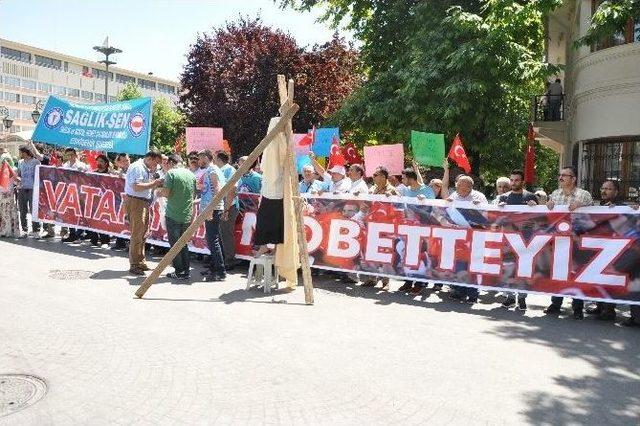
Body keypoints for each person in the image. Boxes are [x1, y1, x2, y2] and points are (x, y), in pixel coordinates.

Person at [544, 166, 594, 319]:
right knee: (558, 272)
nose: (560, 178)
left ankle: (578, 307)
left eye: (564, 175)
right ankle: (556, 303)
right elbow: (550, 214)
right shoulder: (555, 194)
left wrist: (582, 206)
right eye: (560, 175)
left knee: (577, 272)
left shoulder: (583, 194)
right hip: (559, 241)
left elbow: (595, 214)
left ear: (573, 179)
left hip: (578, 240)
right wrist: (549, 205)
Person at [497, 170, 538, 310]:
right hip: (507, 239)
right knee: (508, 269)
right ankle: (509, 297)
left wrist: (536, 207)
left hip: (526, 240)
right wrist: (499, 208)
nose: (513, 183)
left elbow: (539, 219)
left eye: (516, 180)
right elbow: (495, 217)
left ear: (522, 182)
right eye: (512, 180)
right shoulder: (503, 198)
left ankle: (521, 298)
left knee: (524, 269)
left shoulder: (530, 196)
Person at [584, 179, 623, 321]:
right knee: (599, 279)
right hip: (601, 249)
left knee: (609, 280)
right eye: (602, 188)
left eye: (608, 189)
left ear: (616, 192)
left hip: (615, 250)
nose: (604, 191)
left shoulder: (621, 207)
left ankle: (609, 310)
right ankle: (600, 306)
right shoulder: (600, 205)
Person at [396, 167, 436, 294]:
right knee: (408, 253)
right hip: (409, 227)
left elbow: (433, 208)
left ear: (410, 178)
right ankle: (408, 281)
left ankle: (419, 283)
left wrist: (424, 201)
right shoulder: (406, 190)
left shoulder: (427, 190)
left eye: (403, 178)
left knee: (420, 255)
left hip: (423, 228)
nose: (402, 181)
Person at [124, 150, 164, 275]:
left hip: (143, 202)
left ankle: (140, 261)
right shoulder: (138, 167)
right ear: (150, 159)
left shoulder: (144, 168)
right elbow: (136, 187)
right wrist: (154, 183)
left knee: (143, 233)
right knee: (137, 234)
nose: (156, 166)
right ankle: (134, 264)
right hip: (136, 202)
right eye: (156, 163)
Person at [157, 154, 196, 281]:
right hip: (186, 214)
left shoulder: (171, 173)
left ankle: (179, 271)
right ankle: (185, 270)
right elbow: (194, 194)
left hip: (173, 213)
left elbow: (166, 193)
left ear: (171, 162)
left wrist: (159, 192)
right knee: (183, 243)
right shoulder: (191, 174)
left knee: (174, 244)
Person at [362, 166, 399, 290]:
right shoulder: (372, 189)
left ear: (383, 177)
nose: (373, 177)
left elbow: (400, 205)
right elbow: (366, 205)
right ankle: (372, 278)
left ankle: (386, 281)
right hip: (372, 225)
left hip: (386, 226)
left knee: (384, 253)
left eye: (375, 174)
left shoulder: (392, 190)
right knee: (371, 252)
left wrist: (392, 198)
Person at [198, 150, 227, 281]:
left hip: (213, 209)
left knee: (213, 240)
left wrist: (211, 208)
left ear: (206, 158)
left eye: (200, 158)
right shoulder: (212, 169)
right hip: (212, 208)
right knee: (213, 240)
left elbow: (217, 189)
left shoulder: (212, 170)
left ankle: (220, 271)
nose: (199, 161)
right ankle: (215, 268)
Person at [215, 151, 239, 269]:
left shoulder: (229, 170)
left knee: (226, 233)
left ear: (219, 159)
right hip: (222, 206)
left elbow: (232, 190)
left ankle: (229, 259)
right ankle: (220, 259)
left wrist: (226, 209)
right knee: (220, 233)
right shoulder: (219, 170)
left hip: (229, 206)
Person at [60, 148, 89, 242]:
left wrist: (84, 171)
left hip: (79, 193)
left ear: (76, 155)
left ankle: (79, 234)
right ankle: (72, 234)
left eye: (72, 154)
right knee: (70, 214)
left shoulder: (82, 165)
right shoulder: (65, 165)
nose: (70, 157)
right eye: (68, 155)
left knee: (80, 214)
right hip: (68, 192)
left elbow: (89, 177)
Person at [15, 145, 41, 237]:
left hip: (33, 189)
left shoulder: (36, 162)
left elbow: (41, 174)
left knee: (34, 210)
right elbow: (18, 174)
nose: (20, 154)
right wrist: (17, 178)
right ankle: (25, 230)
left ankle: (36, 230)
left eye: (21, 152)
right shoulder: (20, 162)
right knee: (22, 211)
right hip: (22, 189)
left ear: (25, 152)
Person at [87, 154, 113, 247]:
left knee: (104, 221)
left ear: (106, 163)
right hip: (95, 200)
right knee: (94, 220)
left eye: (101, 161)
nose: (99, 163)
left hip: (105, 201)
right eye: (98, 161)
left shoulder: (110, 174)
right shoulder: (94, 173)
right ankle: (93, 239)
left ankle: (105, 241)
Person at [111, 153, 131, 251]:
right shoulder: (121, 170)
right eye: (123, 161)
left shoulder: (133, 169)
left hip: (131, 200)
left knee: (131, 222)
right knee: (121, 220)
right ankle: (120, 242)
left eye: (126, 160)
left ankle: (130, 244)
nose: (125, 162)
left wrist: (123, 176)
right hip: (122, 200)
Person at [0, 152, 20, 238]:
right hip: (1, 194)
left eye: (7, 160)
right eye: (4, 160)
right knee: (3, 213)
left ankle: (9, 231)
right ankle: (3, 230)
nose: (5, 162)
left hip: (9, 195)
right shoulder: (0, 170)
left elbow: (17, 181)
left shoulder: (14, 170)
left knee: (9, 213)